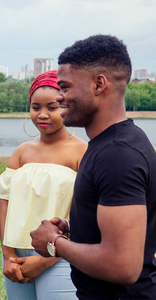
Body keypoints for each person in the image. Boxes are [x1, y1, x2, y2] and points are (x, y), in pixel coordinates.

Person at [30, 34, 156, 299]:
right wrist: (78, 226)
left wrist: (55, 243)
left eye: (65, 87)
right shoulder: (111, 143)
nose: (59, 96)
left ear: (99, 84)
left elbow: (123, 265)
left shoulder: (118, 155)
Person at [0, 70, 87, 300]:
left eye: (52, 107)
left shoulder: (82, 151)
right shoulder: (21, 153)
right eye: (36, 107)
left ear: (66, 106)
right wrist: (7, 256)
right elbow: (5, 206)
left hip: (62, 257)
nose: (42, 115)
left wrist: (46, 259)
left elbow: (86, 215)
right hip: (17, 257)